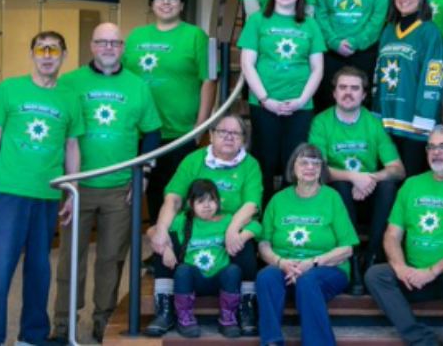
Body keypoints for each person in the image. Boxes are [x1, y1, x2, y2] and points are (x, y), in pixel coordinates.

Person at [0, 31, 84, 346]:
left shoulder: (70, 97)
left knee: (39, 268)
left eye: (54, 50)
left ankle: (32, 337)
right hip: (10, 193)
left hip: (47, 195)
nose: (47, 56)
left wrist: (72, 191)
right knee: (0, 269)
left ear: (64, 55)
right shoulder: (10, 89)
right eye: (41, 49)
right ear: (32, 54)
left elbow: (71, 147)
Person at [51, 23, 162, 343]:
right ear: (92, 45)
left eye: (115, 42)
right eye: (102, 42)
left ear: (123, 47)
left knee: (111, 258)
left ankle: (103, 319)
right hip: (77, 187)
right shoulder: (69, 82)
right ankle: (63, 324)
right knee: (70, 260)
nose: (109, 47)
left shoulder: (138, 86)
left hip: (120, 190)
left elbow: (152, 132)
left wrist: (144, 174)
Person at [365, 125, 443, 346]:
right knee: (376, 275)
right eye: (431, 147)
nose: (436, 152)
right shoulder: (412, 185)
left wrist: (433, 271)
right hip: (413, 277)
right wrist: (401, 268)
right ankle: (421, 341)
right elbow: (392, 235)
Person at [147, 114, 263, 337]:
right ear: (211, 135)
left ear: (243, 140)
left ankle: (244, 309)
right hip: (194, 225)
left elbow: (251, 204)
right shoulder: (193, 160)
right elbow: (173, 198)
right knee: (164, 237)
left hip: (231, 223)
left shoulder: (250, 164)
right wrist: (161, 232)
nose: (229, 137)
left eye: (236, 133)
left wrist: (232, 230)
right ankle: (166, 309)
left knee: (244, 241)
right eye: (222, 132)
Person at [123, 0, 215, 225]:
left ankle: (176, 251)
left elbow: (208, 81)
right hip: (140, 133)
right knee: (150, 194)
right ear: (152, 4)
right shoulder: (135, 36)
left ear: (182, 4)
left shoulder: (195, 36)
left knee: (175, 196)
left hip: (179, 133)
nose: (165, 2)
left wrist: (200, 127)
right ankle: (158, 251)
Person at [309, 67, 406, 293]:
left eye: (355, 88)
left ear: (364, 94)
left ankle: (372, 256)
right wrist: (353, 177)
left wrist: (369, 179)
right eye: (343, 87)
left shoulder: (373, 123)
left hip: (369, 198)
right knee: (340, 186)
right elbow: (316, 169)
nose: (348, 93)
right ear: (334, 93)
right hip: (338, 202)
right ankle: (352, 260)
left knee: (388, 187)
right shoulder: (321, 122)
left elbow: (398, 169)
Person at [256, 143, 359, 346]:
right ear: (293, 167)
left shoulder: (332, 198)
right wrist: (281, 263)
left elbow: (347, 248)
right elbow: (263, 244)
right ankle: (272, 341)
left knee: (308, 280)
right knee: (266, 276)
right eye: (304, 162)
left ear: (322, 169)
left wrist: (312, 263)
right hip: (286, 268)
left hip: (326, 269)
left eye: (315, 163)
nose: (310, 167)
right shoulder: (278, 200)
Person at [238, 0, 325, 204]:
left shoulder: (309, 24)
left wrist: (300, 101)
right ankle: (263, 220)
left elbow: (318, 69)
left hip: (300, 107)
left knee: (295, 165)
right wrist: (267, 100)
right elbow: (247, 64)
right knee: (264, 165)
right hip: (264, 105)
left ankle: (289, 220)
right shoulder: (257, 21)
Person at [152, 179, 249, 338]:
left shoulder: (227, 219)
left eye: (212, 200)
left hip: (219, 279)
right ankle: (185, 318)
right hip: (194, 280)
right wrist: (166, 248)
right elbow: (153, 231)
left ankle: (228, 318)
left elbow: (256, 227)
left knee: (233, 270)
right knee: (182, 270)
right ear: (190, 204)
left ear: (218, 202)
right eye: (201, 201)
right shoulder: (183, 220)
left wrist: (239, 234)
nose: (207, 205)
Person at [372, 0, 443, 177]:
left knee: (410, 183)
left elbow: (434, 77)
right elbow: (378, 74)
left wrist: (423, 118)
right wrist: (376, 111)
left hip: (414, 125)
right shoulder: (388, 30)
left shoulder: (429, 31)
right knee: (387, 184)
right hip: (387, 120)